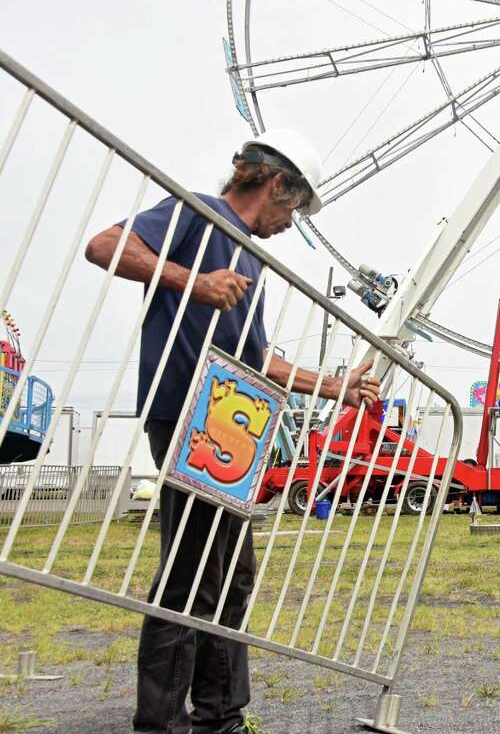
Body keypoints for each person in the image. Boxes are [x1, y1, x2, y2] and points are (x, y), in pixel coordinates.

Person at [84, 130, 381, 734]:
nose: (291, 223)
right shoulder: (200, 213)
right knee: (190, 575)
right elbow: (105, 244)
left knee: (232, 575)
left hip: (230, 423)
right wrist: (194, 282)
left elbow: (259, 358)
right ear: (277, 185)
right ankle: (161, 724)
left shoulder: (250, 257)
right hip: (189, 415)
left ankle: (220, 715)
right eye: (295, 208)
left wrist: (336, 387)